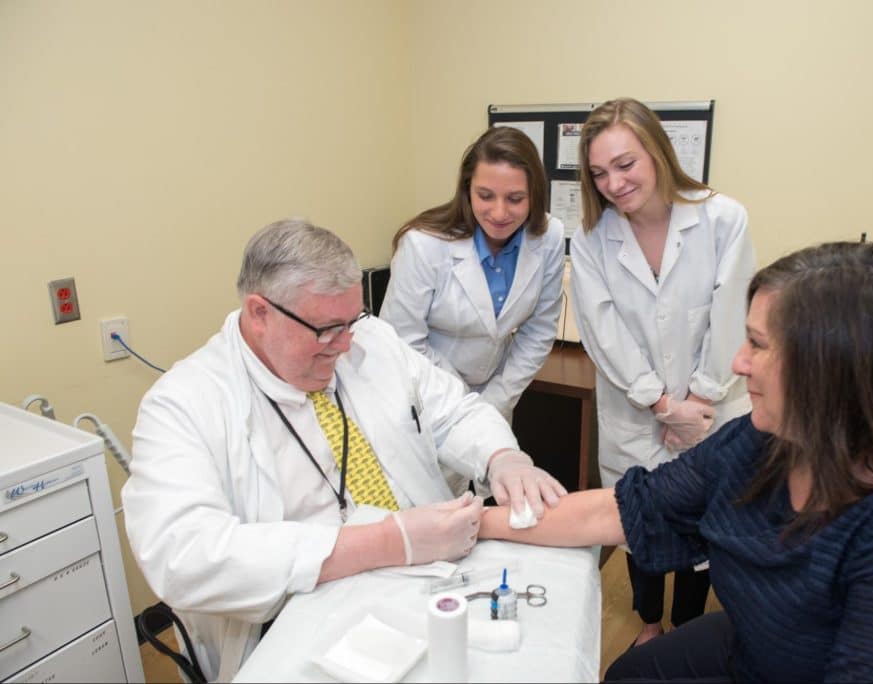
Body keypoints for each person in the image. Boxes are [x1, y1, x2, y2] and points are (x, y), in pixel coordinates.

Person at [481, 241, 873, 682]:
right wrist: (473, 524)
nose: (738, 363)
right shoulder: (764, 442)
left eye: (757, 345)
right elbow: (622, 510)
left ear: (835, 370)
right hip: (756, 643)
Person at [122, 219, 566, 681]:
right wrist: (382, 542)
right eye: (328, 329)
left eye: (351, 321)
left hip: (426, 576)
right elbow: (183, 556)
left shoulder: (371, 341)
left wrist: (501, 456)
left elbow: (453, 411)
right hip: (302, 613)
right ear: (259, 313)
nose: (347, 344)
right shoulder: (183, 403)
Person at [570, 97, 755, 645]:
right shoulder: (591, 238)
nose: (614, 183)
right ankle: (651, 624)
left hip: (713, 404)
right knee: (639, 519)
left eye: (625, 164)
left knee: (704, 525)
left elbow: (731, 312)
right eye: (599, 172)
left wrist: (697, 401)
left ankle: (686, 631)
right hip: (638, 409)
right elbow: (603, 331)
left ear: (657, 151)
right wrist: (660, 404)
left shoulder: (722, 218)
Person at [380, 126, 564, 427]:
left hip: (495, 399)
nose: (499, 212)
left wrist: (496, 401)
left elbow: (539, 329)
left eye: (516, 198)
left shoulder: (547, 236)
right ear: (467, 190)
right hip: (426, 397)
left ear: (535, 196)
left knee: (491, 473)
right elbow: (404, 341)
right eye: (485, 196)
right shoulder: (423, 244)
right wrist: (467, 403)